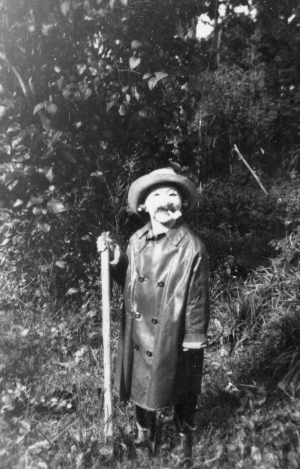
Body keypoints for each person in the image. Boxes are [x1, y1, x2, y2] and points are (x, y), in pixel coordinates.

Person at [97, 167, 210, 459]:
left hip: (174, 327)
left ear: (182, 204)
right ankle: (144, 432)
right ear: (144, 206)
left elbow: (198, 298)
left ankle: (183, 436)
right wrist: (115, 258)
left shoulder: (192, 248)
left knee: (183, 381)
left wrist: (194, 336)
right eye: (157, 195)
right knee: (139, 378)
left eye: (172, 195)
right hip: (139, 325)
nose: (165, 201)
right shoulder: (136, 241)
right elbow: (131, 279)